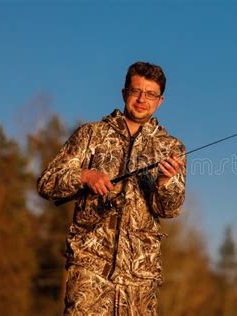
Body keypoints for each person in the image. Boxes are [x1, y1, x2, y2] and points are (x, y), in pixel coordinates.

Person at [37, 61, 186, 315]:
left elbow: (170, 209)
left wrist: (163, 183)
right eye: (136, 91)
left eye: (150, 94)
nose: (142, 99)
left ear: (160, 101)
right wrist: (84, 175)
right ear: (124, 93)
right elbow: (47, 182)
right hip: (89, 270)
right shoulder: (90, 135)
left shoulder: (171, 148)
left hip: (140, 280)